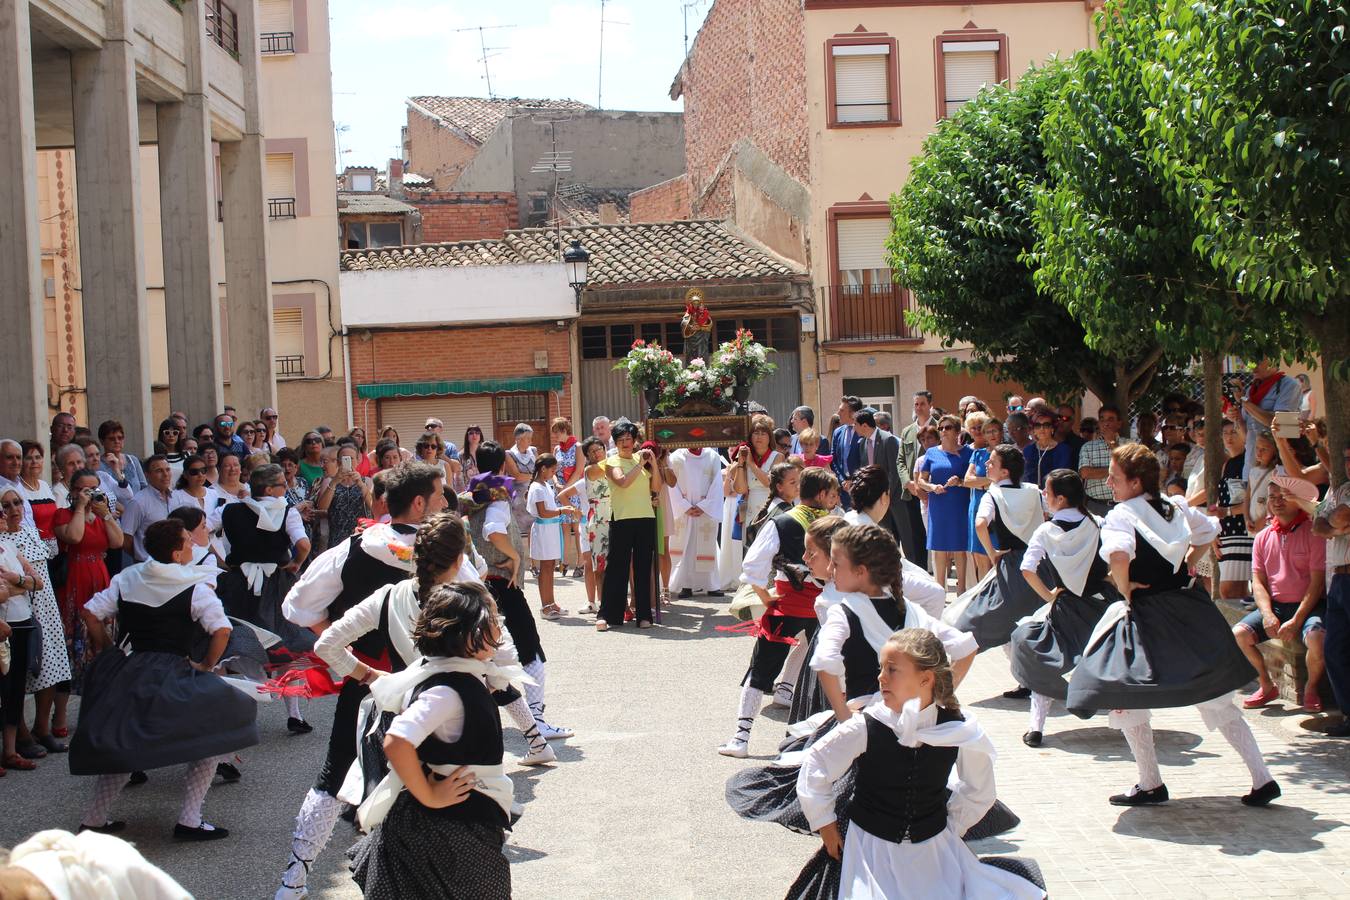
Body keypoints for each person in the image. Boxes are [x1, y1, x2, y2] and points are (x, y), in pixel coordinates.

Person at [1065, 444, 1279, 807]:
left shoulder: (1121, 515)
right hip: (1188, 609)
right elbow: (1209, 532)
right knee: (1214, 696)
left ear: (1135, 482)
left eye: (1116, 478)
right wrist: (1187, 563)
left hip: (1147, 615)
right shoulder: (1175, 505)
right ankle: (1263, 778)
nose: (1111, 485)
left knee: (1122, 692)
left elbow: (1118, 555)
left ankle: (1150, 783)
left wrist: (1125, 588)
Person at [274, 462, 447, 900]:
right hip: (430, 684)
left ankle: (295, 878)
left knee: (337, 773)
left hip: (367, 679)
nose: (446, 502)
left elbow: (297, 607)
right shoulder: (445, 553)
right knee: (436, 774)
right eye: (440, 495)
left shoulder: (352, 549)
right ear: (421, 502)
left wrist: (349, 654)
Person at [793, 629, 1045, 900]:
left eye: (892, 670)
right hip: (870, 848)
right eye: (881, 668)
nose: (881, 677)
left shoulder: (957, 730)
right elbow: (817, 763)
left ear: (926, 678)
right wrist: (826, 825)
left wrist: (950, 827)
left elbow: (979, 790)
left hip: (932, 851)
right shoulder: (868, 726)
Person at [70, 519, 259, 840]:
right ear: (176, 553)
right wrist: (206, 665)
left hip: (130, 670)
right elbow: (222, 629)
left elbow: (90, 613)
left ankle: (93, 820)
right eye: (188, 541)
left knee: (124, 743)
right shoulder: (195, 586)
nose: (192, 545)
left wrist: (106, 648)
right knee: (211, 736)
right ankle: (189, 819)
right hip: (174, 672)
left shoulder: (128, 576)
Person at [347, 584, 514, 900]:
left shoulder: (447, 674)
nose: (499, 622)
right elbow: (397, 741)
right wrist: (430, 795)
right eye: (492, 616)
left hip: (455, 826)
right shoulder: (446, 690)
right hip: (448, 833)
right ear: (469, 635)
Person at [457, 443, 573, 754]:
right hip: (503, 582)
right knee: (529, 648)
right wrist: (514, 558)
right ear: (504, 466)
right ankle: (536, 719)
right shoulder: (497, 493)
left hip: (479, 581)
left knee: (485, 654)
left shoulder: (471, 494)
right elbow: (493, 530)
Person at [719, 468, 841, 756]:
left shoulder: (783, 521)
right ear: (822, 494)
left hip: (786, 605)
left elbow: (752, 566)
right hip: (825, 610)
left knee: (760, 671)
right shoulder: (837, 524)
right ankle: (826, 740)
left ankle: (741, 738)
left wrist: (766, 597)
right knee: (827, 670)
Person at [1009, 470, 1118, 747]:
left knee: (1042, 656)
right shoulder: (1099, 523)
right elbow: (1119, 557)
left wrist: (1049, 597)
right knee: (1113, 659)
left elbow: (1027, 569)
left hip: (1066, 607)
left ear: (1060, 498)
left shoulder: (1045, 531)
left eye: (1047, 492)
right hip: (1101, 605)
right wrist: (1107, 578)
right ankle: (1125, 715)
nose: (1044, 496)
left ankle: (1036, 727)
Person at [951, 445, 1046, 688]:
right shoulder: (1034, 491)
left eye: (992, 463)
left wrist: (992, 554)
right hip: (1041, 566)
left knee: (976, 623)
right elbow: (1048, 517)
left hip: (1013, 566)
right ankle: (1027, 681)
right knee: (1025, 623)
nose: (986, 465)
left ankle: (949, 685)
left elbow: (980, 523)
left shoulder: (993, 494)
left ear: (1004, 472)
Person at [1234, 478, 1328, 711]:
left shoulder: (1314, 532)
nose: (1277, 502)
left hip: (1309, 605)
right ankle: (1266, 684)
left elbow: (1317, 584)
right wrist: (1266, 614)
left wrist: (1296, 620)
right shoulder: (1263, 537)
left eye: (1283, 496)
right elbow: (1258, 582)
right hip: (1276, 605)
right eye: (1272, 497)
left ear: (1296, 501)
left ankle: (1311, 688)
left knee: (1317, 639)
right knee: (1239, 634)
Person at [1, 492, 65, 771]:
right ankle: (19, 740)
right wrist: (21, 585)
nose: (10, 511)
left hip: (40, 610)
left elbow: (36, 582)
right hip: (14, 618)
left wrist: (17, 581)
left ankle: (39, 730)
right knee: (11, 682)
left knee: (48, 667)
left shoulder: (22, 536)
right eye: (4, 506)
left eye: (16, 504)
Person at [52, 471, 124, 694]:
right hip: (76, 576)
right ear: (74, 491)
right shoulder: (63, 514)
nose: (91, 494)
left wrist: (107, 516)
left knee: (103, 634)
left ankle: (103, 682)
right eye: (86, 490)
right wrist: (81, 507)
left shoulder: (102, 516)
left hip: (99, 575)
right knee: (79, 631)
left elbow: (117, 542)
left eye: (95, 489)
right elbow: (73, 537)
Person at [842, 467, 946, 619]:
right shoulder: (868, 529)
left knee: (926, 582)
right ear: (885, 497)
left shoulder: (848, 517)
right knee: (936, 593)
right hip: (875, 580)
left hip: (868, 578)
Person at [599, 421, 662, 630]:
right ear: (615, 443)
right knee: (617, 568)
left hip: (645, 518)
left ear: (635, 440)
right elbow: (623, 482)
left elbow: (656, 487)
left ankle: (644, 615)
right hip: (622, 519)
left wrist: (653, 465)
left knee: (644, 569)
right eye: (621, 440)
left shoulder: (641, 459)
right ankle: (608, 615)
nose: (625, 443)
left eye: (629, 439)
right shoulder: (611, 461)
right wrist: (640, 465)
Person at [1312, 440, 1350, 736]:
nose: (1348, 464)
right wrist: (1336, 529)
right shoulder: (1339, 489)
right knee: (1334, 648)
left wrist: (1335, 523)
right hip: (1338, 578)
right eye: (1345, 459)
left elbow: (1340, 516)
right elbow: (1320, 523)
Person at [718, 415, 782, 590]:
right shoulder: (746, 458)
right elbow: (740, 489)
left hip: (770, 505)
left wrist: (752, 464)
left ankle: (770, 587)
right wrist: (740, 464)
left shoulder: (777, 457)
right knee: (751, 549)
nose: (759, 437)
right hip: (751, 505)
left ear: (770, 437)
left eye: (763, 433)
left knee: (769, 548)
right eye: (755, 433)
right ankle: (751, 589)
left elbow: (770, 482)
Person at [917, 414, 972, 595]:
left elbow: (973, 479)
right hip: (938, 505)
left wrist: (961, 481)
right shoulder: (932, 453)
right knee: (939, 549)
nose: (943, 431)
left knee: (959, 548)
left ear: (957, 431)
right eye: (941, 428)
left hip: (960, 504)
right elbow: (921, 480)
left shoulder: (967, 453)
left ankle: (961, 590)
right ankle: (939, 591)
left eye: (948, 427)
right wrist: (932, 487)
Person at [667, 445, 725, 598]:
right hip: (684, 512)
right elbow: (671, 486)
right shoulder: (675, 457)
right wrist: (684, 506)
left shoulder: (712, 456)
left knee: (707, 546)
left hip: (705, 510)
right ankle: (686, 585)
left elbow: (717, 484)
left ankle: (711, 585)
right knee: (686, 546)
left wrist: (704, 506)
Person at [560, 438, 609, 614]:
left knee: (604, 566)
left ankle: (606, 601)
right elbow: (562, 496)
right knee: (590, 564)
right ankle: (591, 601)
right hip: (588, 525)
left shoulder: (611, 472)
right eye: (592, 452)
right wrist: (575, 511)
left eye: (599, 449)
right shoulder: (585, 478)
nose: (597, 453)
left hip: (608, 522)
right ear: (587, 456)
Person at [1233, 360, 1301, 476]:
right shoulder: (1251, 390)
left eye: (1257, 361)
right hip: (1251, 469)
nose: (1252, 365)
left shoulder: (1290, 385)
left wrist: (1244, 401)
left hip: (1277, 468)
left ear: (1272, 360)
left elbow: (1281, 424)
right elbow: (1246, 435)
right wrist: (1236, 417)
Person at [1212, 418, 1254, 600]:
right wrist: (1214, 528)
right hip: (1226, 531)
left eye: (1234, 432)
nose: (1229, 437)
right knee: (1230, 592)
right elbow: (1221, 500)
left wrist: (1228, 512)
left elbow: (1252, 499)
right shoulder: (1227, 463)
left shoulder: (1249, 461)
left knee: (1230, 591)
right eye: (1225, 433)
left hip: (1242, 530)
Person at [527, 454, 573, 619]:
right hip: (543, 530)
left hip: (551, 530)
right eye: (552, 469)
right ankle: (545, 606)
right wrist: (562, 510)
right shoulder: (536, 487)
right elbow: (543, 512)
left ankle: (551, 603)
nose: (554, 473)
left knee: (550, 566)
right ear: (543, 469)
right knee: (545, 568)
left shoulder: (545, 485)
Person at [895, 391, 934, 568]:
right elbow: (900, 460)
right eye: (916, 404)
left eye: (922, 404)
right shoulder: (907, 431)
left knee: (932, 536)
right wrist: (908, 482)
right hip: (910, 493)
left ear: (930, 405)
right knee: (915, 535)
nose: (918, 408)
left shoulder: (939, 427)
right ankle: (921, 571)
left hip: (932, 491)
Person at [120, 455, 178, 562]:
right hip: (147, 566)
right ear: (147, 475)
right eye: (159, 471)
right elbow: (126, 538)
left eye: (167, 469)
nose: (165, 475)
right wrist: (140, 556)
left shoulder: (177, 498)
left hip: (174, 565)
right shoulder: (138, 502)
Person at [963, 414, 1000, 581]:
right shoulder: (977, 454)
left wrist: (982, 483)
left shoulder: (1007, 453)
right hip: (977, 504)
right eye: (988, 431)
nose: (991, 434)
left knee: (997, 554)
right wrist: (991, 480)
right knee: (979, 555)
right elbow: (967, 480)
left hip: (998, 506)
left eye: (995, 431)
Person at [316, 443, 372, 546]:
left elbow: (372, 506)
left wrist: (361, 484)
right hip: (337, 537)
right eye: (344, 459)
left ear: (357, 460)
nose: (348, 462)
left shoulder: (367, 481)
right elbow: (322, 507)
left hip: (360, 535)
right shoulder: (329, 481)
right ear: (338, 462)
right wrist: (334, 482)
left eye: (351, 459)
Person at [1079, 405, 1127, 517]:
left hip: (1124, 505)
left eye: (1111, 419)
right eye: (1102, 419)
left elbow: (1132, 470)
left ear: (1119, 423)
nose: (1106, 423)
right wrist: (1118, 471)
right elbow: (1085, 473)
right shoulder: (1088, 447)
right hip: (1096, 505)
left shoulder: (1129, 444)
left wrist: (1114, 445)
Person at [503, 424, 538, 569]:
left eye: (530, 437)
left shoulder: (533, 451)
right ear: (518, 439)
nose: (530, 441)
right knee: (515, 531)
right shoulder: (509, 454)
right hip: (517, 498)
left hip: (532, 494)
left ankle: (534, 564)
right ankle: (517, 562)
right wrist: (535, 476)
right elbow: (516, 476)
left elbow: (537, 470)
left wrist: (531, 477)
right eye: (527, 438)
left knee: (533, 530)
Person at [1023, 411, 1073, 488]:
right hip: (1032, 494)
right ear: (1033, 430)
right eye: (1037, 425)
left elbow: (1062, 477)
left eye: (1046, 425)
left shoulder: (1063, 450)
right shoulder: (1027, 450)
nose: (1042, 429)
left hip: (1054, 493)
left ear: (1052, 428)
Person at [97, 421, 146, 495]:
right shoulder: (98, 465)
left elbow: (144, 487)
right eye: (112, 439)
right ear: (102, 441)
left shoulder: (133, 460)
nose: (117, 441)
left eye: (120, 438)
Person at [457, 425, 485, 493]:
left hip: (484, 491)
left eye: (477, 433)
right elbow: (459, 477)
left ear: (480, 436)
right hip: (468, 493)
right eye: (471, 433)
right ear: (467, 436)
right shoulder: (461, 455)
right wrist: (464, 493)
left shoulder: (486, 453)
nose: (474, 435)